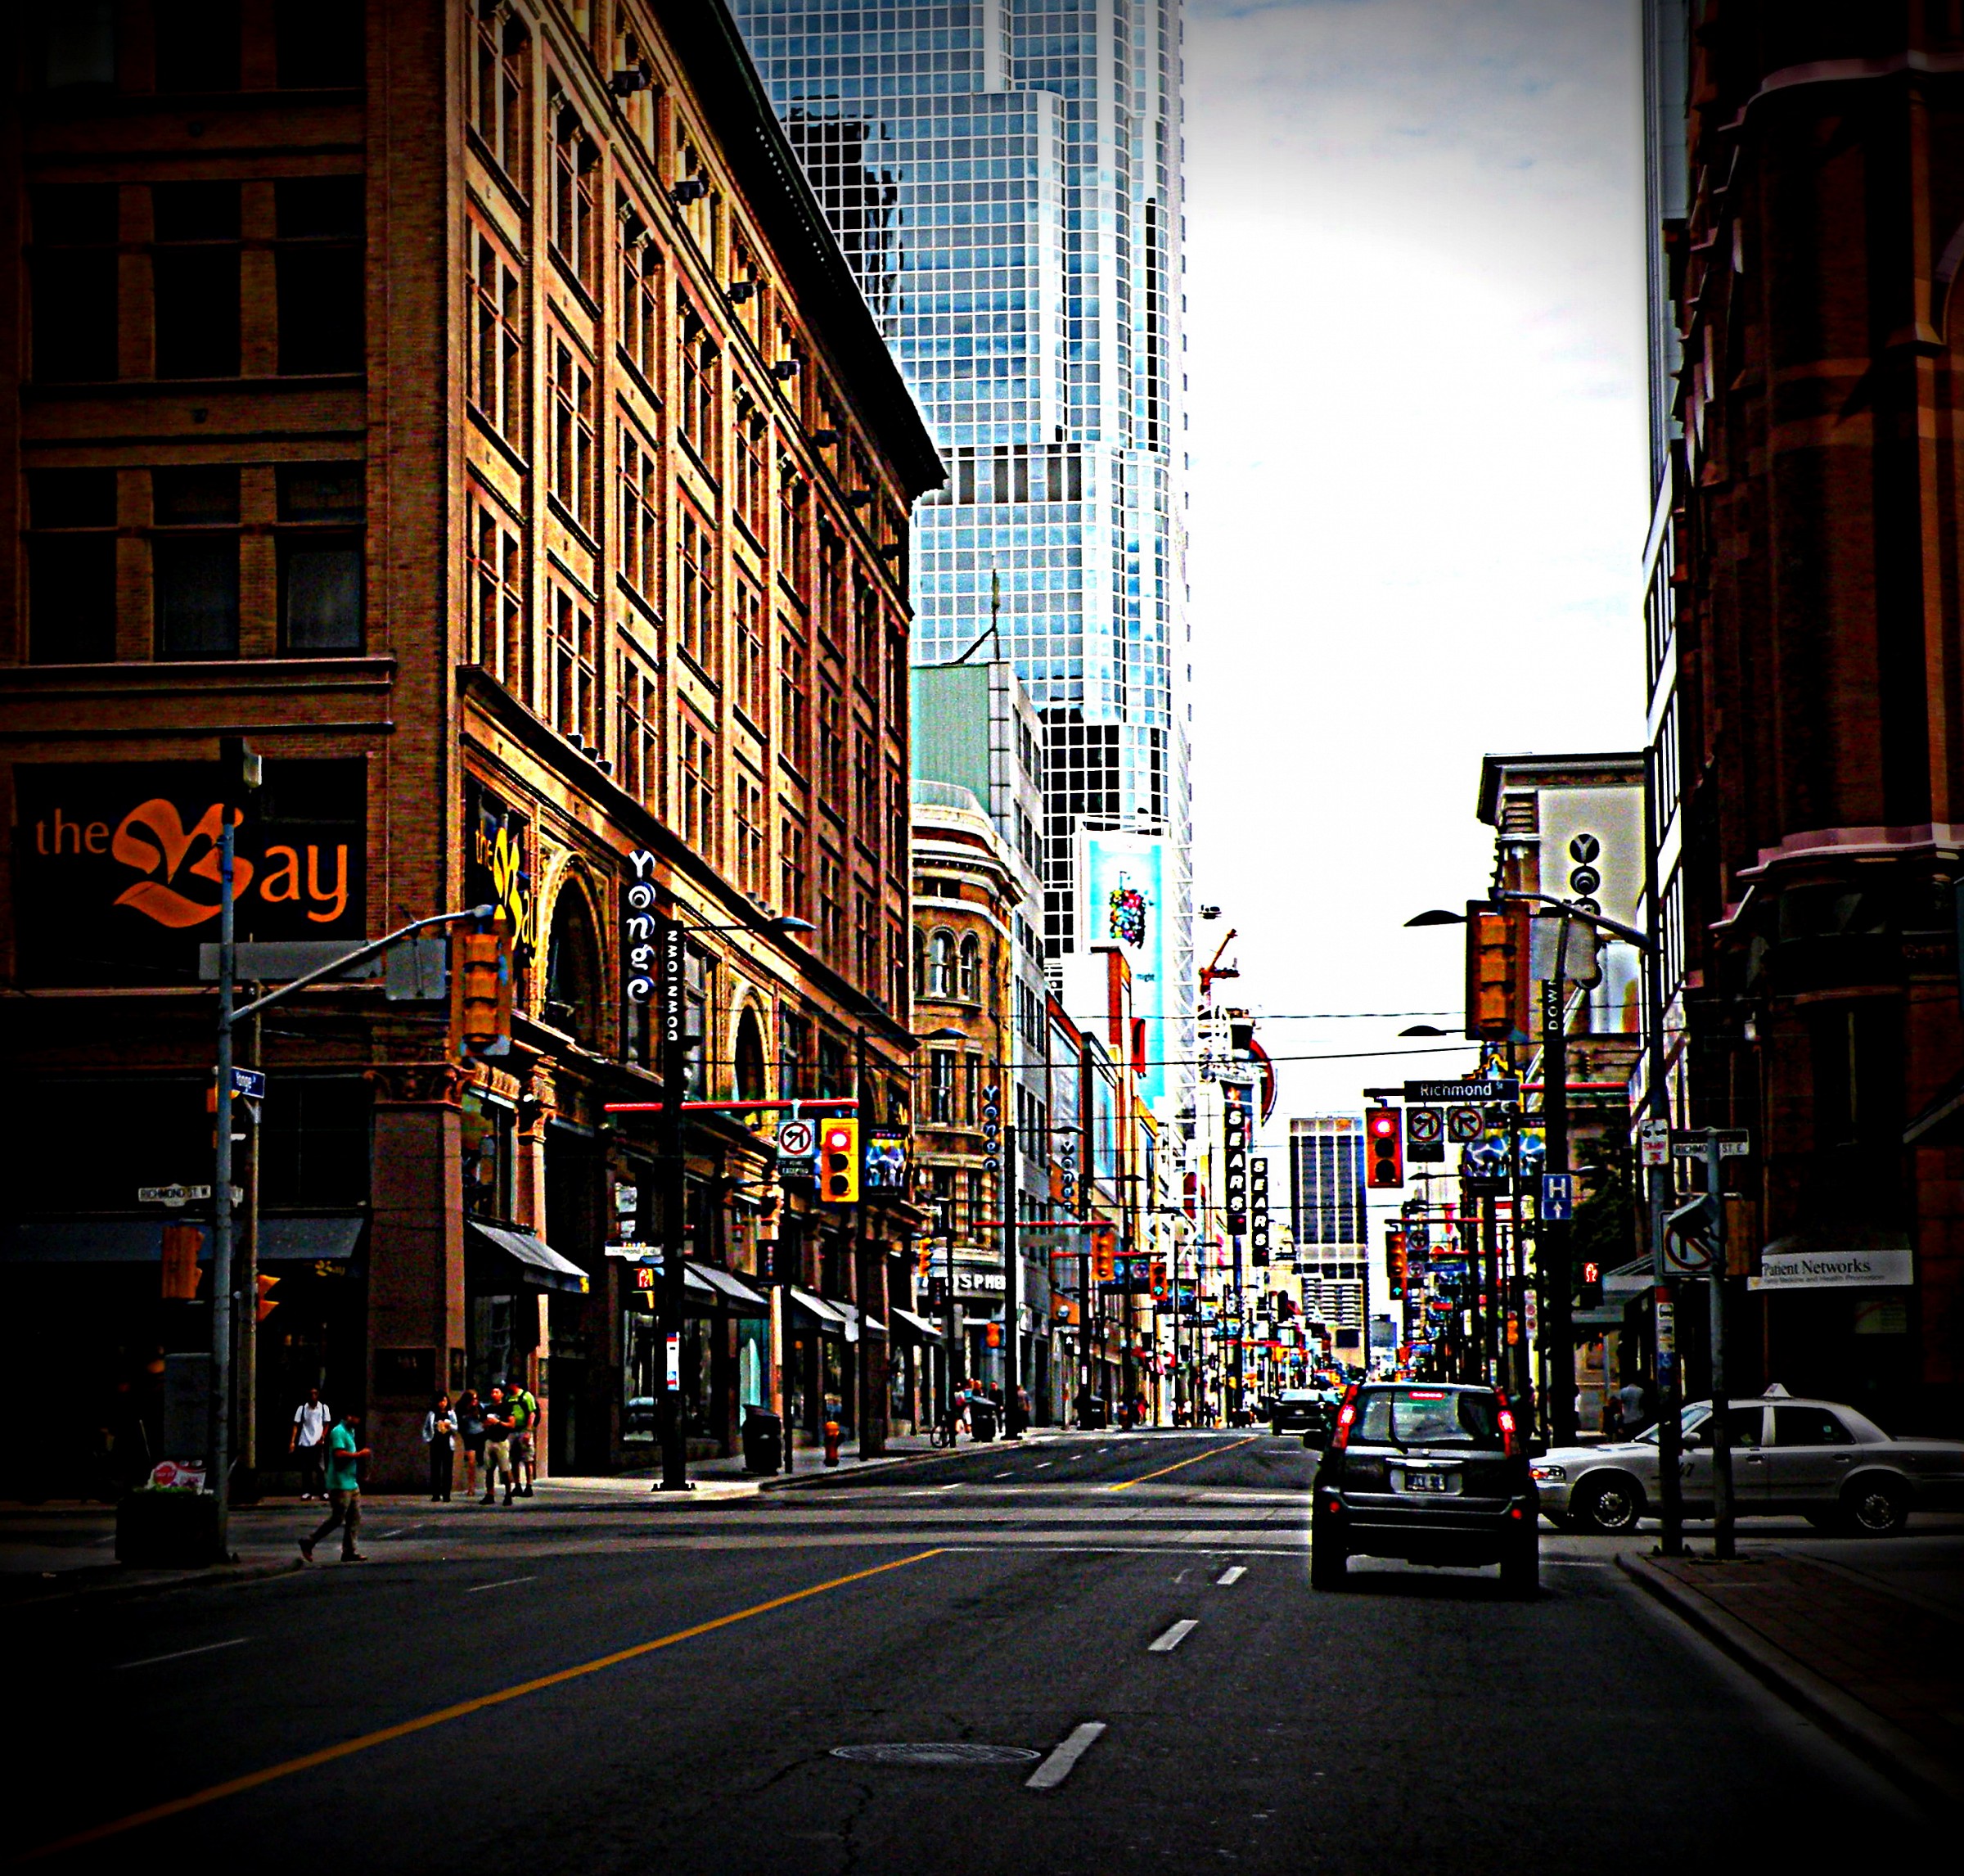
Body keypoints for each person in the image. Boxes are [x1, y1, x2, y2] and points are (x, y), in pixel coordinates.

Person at [300, 1409, 369, 1563]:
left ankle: (349, 1551)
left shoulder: (350, 1431)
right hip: (339, 1484)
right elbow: (339, 1455)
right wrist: (359, 1455)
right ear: (349, 1416)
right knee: (338, 1518)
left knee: (354, 1517)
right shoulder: (338, 1432)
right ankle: (310, 1541)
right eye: (357, 1417)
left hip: (350, 1482)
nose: (359, 1421)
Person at [290, 1387, 331, 1500]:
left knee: (320, 1469)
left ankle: (323, 1491)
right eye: (311, 1394)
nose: (313, 1397)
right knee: (306, 1469)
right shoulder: (302, 1409)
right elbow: (296, 1425)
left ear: (318, 1395)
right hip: (305, 1440)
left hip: (318, 1442)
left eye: (315, 1394)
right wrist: (293, 1441)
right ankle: (307, 1491)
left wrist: (323, 1436)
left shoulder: (323, 1408)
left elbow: (327, 1423)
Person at [480, 1387, 515, 1505]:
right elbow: (483, 1424)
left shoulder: (506, 1407)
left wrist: (498, 1422)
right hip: (489, 1440)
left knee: (505, 1469)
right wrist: (487, 1423)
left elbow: (511, 1424)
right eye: (492, 1392)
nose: (494, 1394)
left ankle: (508, 1494)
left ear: (501, 1394)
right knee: (489, 1469)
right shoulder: (488, 1408)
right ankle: (490, 1494)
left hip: (501, 1441)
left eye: (496, 1392)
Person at [506, 1372, 538, 1496]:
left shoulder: (526, 1396)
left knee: (528, 1459)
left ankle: (529, 1486)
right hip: (513, 1431)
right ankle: (517, 1485)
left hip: (524, 1430)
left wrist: (529, 1431)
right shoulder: (509, 1398)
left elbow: (532, 1413)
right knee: (514, 1460)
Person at [422, 1393, 457, 1502]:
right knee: (435, 1469)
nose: (442, 1404)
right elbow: (426, 1428)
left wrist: (449, 1426)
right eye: (440, 1401)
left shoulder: (451, 1414)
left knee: (447, 1470)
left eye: (445, 1401)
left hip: (447, 1444)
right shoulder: (432, 1414)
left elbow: (456, 1427)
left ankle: (446, 1494)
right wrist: (428, 1439)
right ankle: (435, 1494)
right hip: (436, 1443)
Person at [456, 1389, 484, 1499]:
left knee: (482, 1461)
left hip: (480, 1434)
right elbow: (459, 1422)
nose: (475, 1401)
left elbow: (484, 1419)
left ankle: (486, 1485)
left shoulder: (479, 1407)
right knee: (471, 1462)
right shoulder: (460, 1407)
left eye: (476, 1399)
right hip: (469, 1436)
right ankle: (471, 1488)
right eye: (473, 1399)